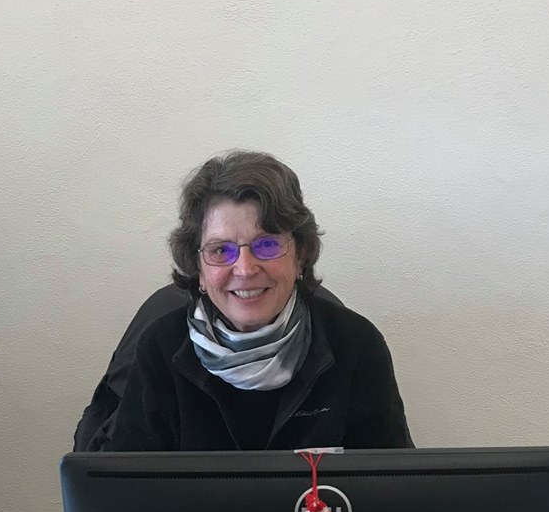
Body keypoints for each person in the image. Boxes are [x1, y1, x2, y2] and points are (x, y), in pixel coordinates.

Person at [104, 150, 413, 451]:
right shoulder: (160, 349)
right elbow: (126, 483)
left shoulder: (357, 346)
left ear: (301, 255)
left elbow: (390, 481)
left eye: (267, 245)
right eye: (220, 250)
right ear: (199, 270)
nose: (245, 269)